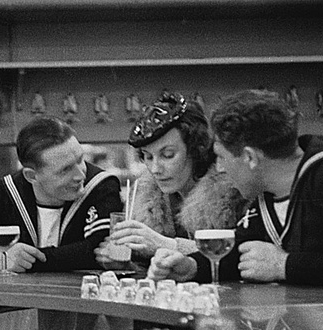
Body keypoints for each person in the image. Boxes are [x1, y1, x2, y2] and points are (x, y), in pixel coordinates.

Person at [148, 89, 323, 292]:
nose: (220, 169)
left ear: (250, 157)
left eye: (222, 157)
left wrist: (284, 265)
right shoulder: (264, 194)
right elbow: (243, 253)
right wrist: (190, 267)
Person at [0, 116, 123, 273]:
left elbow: (95, 251)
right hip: (17, 312)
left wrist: (25, 262)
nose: (80, 174)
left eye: (81, 160)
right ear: (31, 176)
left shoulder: (101, 185)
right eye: (65, 170)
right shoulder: (6, 193)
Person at [95, 91, 246, 267]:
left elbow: (240, 257)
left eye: (167, 155)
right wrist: (126, 265)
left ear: (196, 149)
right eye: (148, 157)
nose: (155, 169)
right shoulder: (143, 200)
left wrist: (166, 245)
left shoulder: (235, 193)